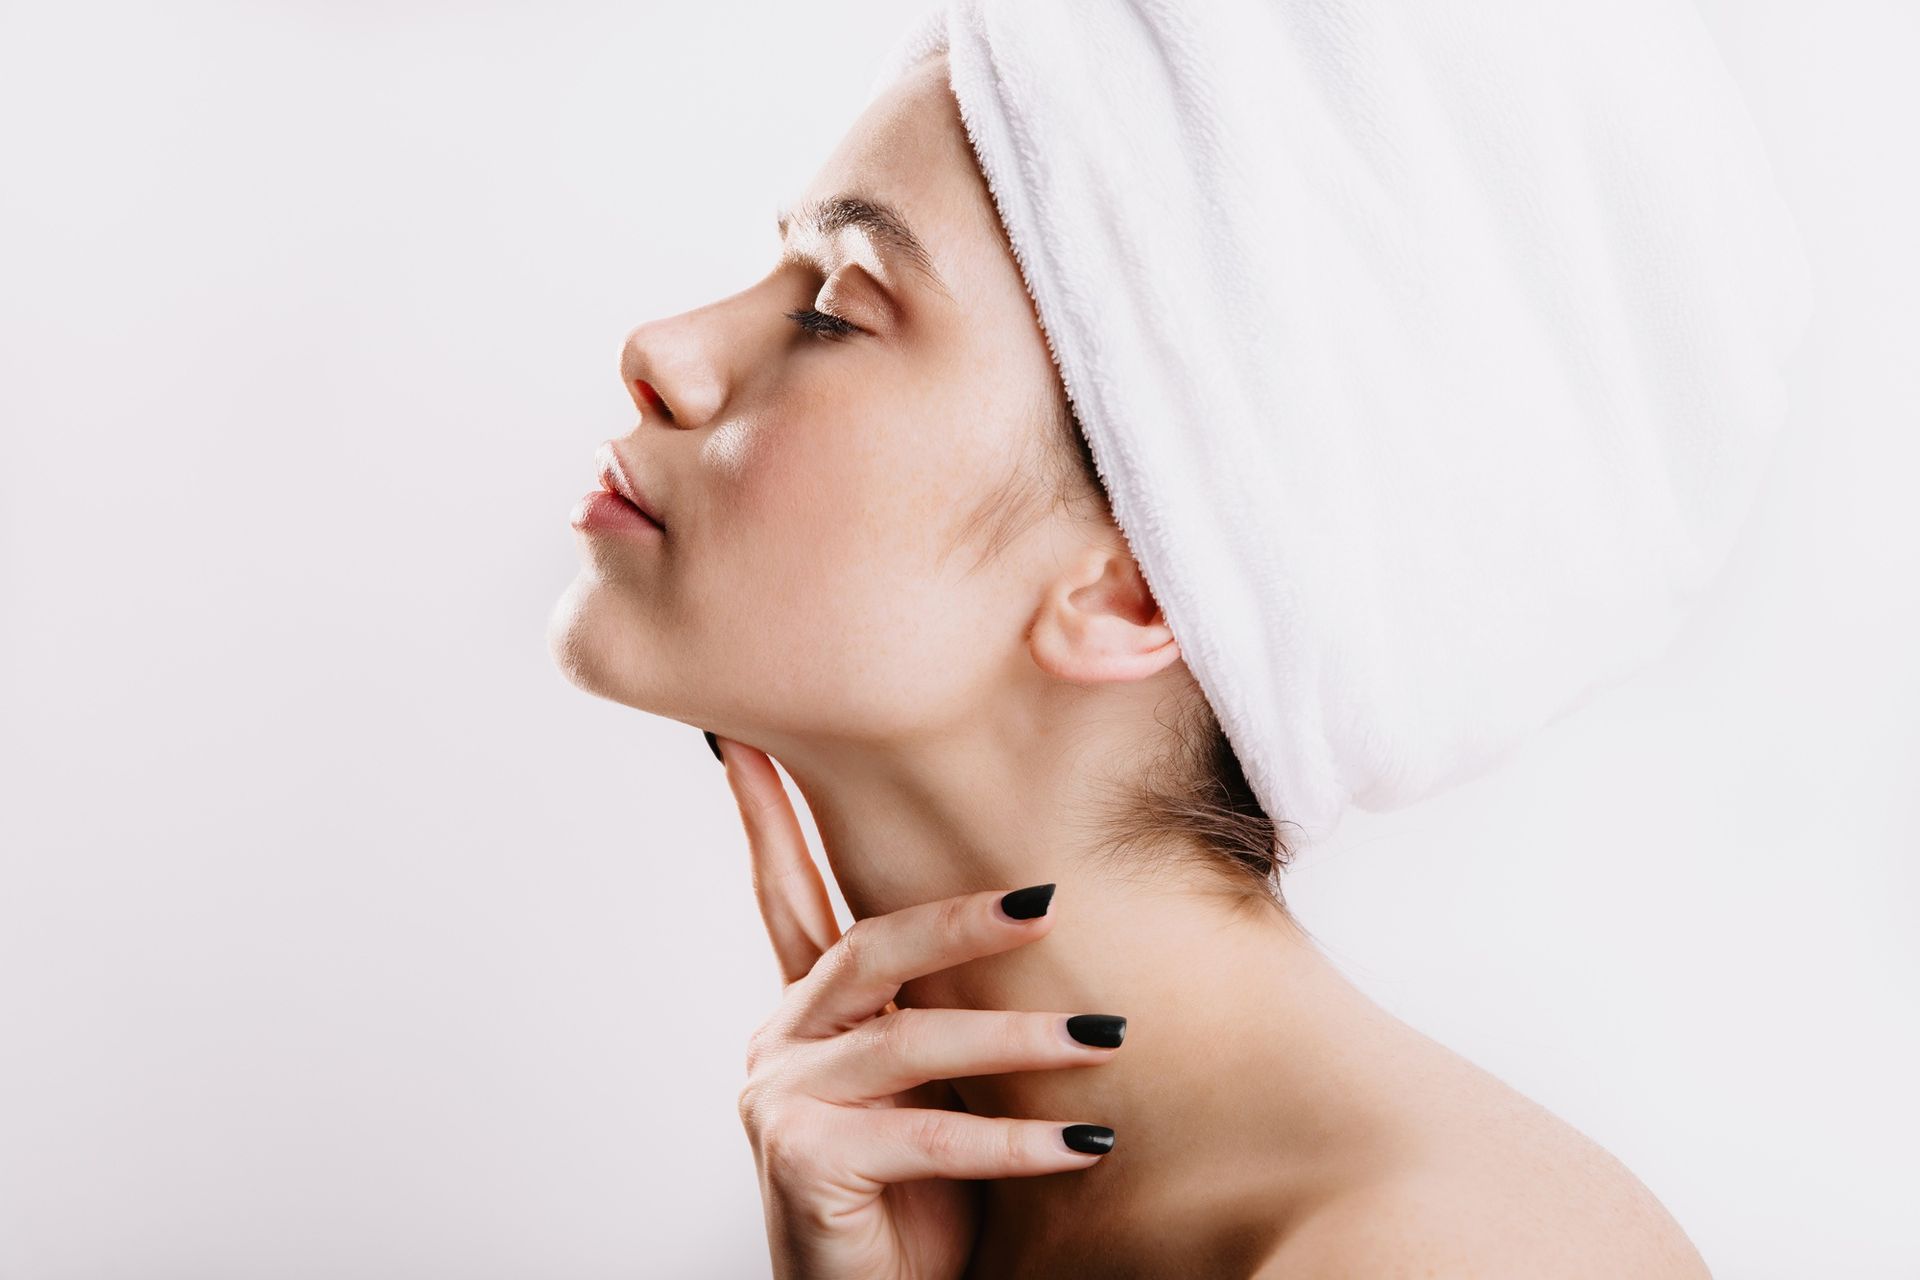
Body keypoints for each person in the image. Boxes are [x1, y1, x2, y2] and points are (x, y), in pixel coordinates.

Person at [548, 46, 1715, 1280]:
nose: (663, 349)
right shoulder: (928, 1206)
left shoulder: (1446, 1253)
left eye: (836, 307)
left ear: (1135, 583)